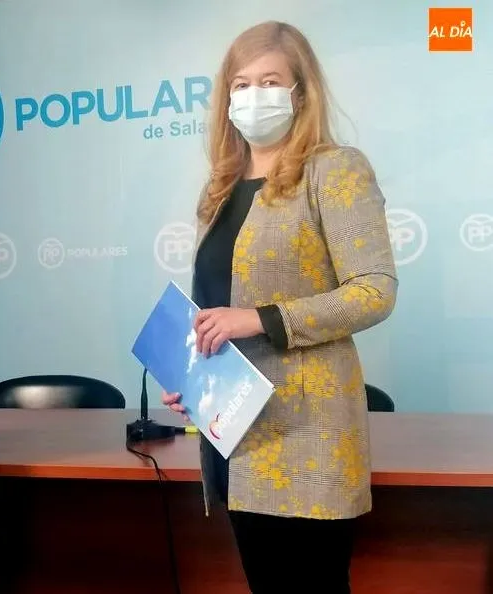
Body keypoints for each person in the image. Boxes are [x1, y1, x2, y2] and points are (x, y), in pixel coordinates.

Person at [162, 21, 397, 594]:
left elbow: (374, 289)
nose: (253, 95)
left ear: (300, 91)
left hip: (308, 437)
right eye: (241, 84)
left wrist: (261, 318)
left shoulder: (334, 169)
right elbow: (216, 307)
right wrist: (195, 379)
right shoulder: (219, 188)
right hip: (236, 436)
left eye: (269, 81)